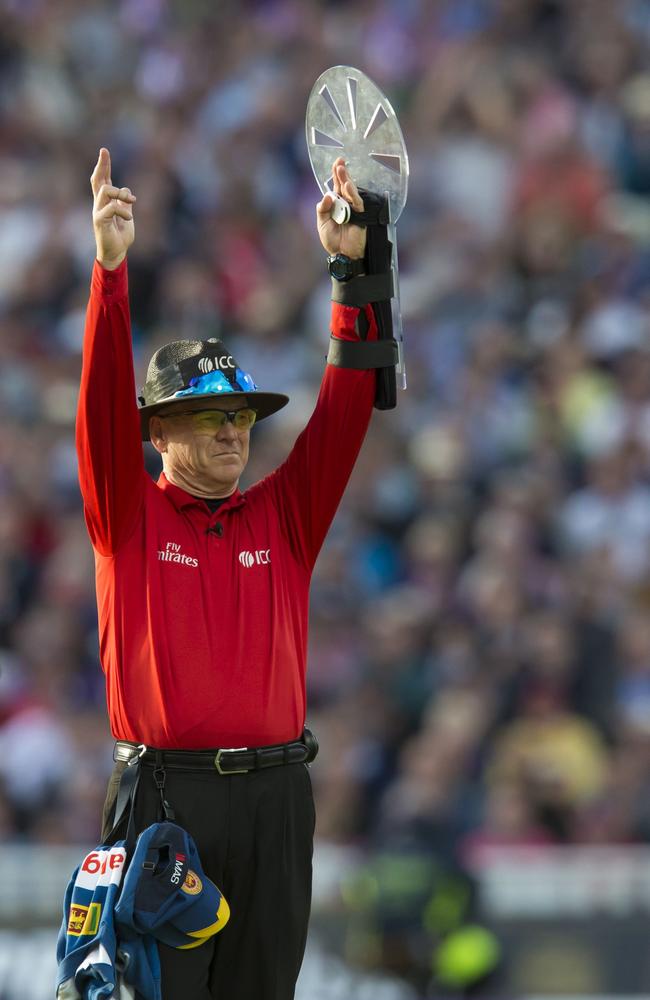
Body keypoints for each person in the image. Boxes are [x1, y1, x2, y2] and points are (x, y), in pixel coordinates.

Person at [76, 147, 385, 1000]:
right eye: (207, 417)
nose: (231, 433)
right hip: (167, 800)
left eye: (241, 415)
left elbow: (348, 406)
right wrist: (110, 274)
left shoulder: (284, 514)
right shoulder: (127, 516)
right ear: (159, 436)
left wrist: (351, 275)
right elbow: (100, 412)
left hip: (280, 796)